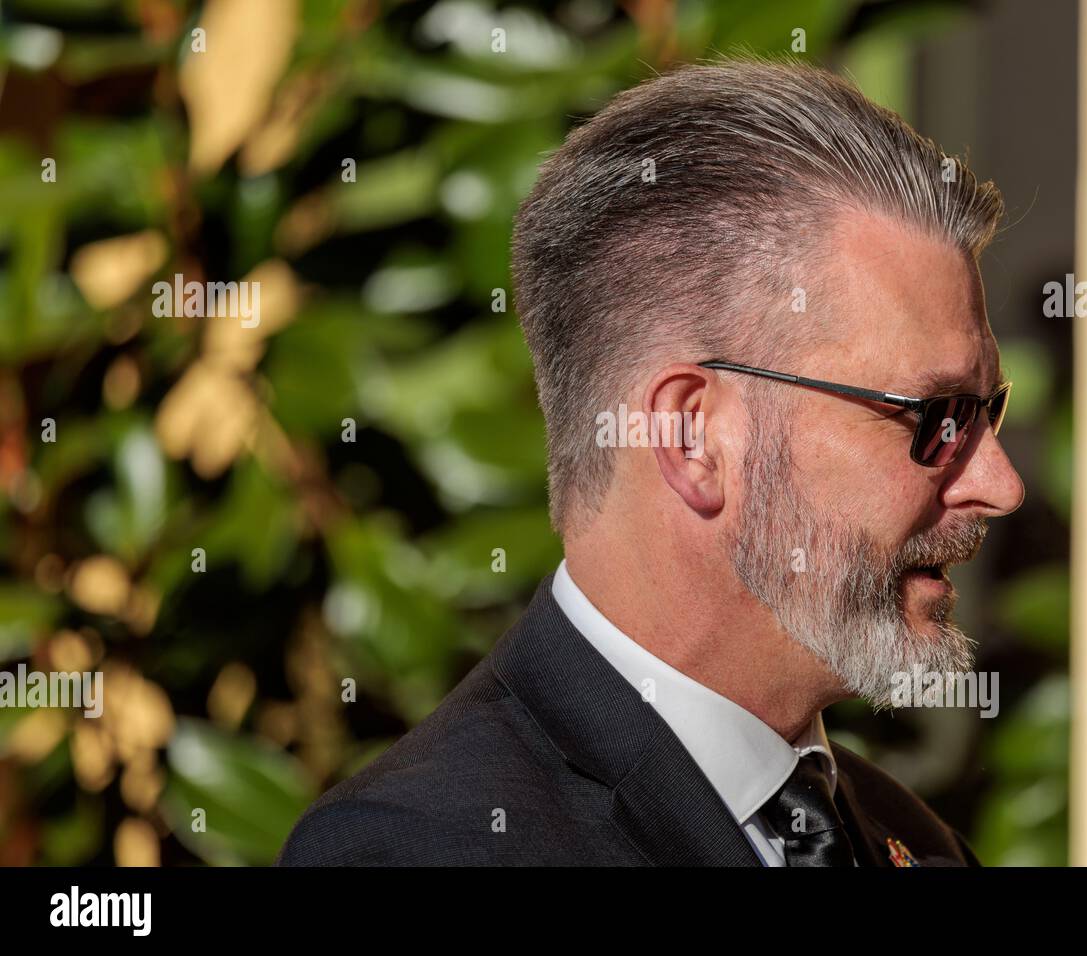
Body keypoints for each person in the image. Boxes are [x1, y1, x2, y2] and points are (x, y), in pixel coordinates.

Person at [278, 56, 1025, 867]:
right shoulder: (424, 849)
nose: (999, 485)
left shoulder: (910, 841)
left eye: (987, 412)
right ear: (694, 437)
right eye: (939, 418)